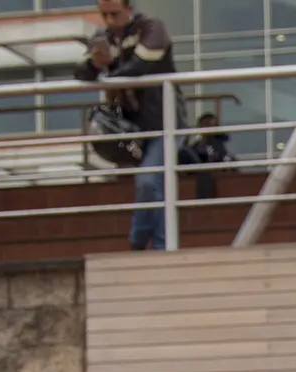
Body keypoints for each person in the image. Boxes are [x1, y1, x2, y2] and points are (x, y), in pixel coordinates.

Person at [76, 0, 176, 251]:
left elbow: (142, 65)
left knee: (147, 182)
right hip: (130, 127)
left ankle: (138, 242)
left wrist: (108, 74)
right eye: (104, 15)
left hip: (163, 122)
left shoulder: (152, 27)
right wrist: (95, 63)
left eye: (114, 14)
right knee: (153, 186)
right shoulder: (102, 36)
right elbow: (80, 72)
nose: (109, 20)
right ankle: (161, 247)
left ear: (129, 10)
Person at [182, 111, 230, 203]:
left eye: (210, 125)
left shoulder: (218, 144)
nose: (206, 128)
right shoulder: (195, 146)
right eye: (204, 125)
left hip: (208, 173)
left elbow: (219, 158)